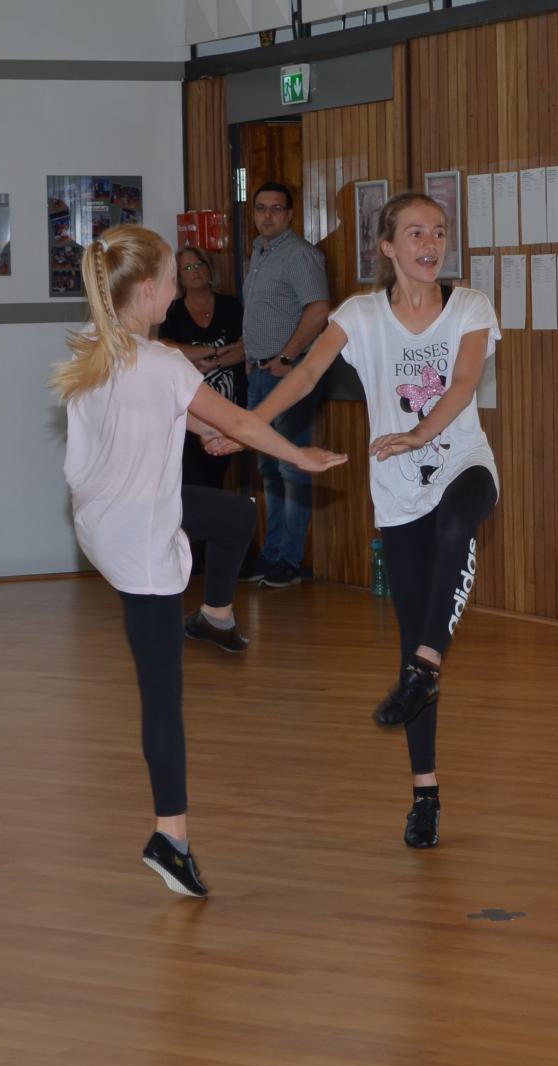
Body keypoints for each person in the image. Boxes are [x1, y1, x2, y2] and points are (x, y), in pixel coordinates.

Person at [51, 224, 347, 898]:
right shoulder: (162, 364)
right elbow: (239, 422)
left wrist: (200, 425)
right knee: (163, 696)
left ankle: (215, 615)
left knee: (235, 516)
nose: (177, 290)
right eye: (169, 278)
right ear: (147, 289)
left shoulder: (97, 345)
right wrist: (298, 454)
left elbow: (154, 411)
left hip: (104, 519)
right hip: (139, 540)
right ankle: (171, 838)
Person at [209, 192, 499, 850]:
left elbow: (462, 385)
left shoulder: (470, 306)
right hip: (397, 492)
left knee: (457, 526)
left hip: (463, 465)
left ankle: (427, 665)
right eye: (416, 233)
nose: (431, 243)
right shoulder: (361, 315)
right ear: (387, 248)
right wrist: (247, 426)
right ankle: (425, 794)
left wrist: (419, 433)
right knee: (409, 640)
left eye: (439, 232)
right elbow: (306, 372)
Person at [240, 182, 330, 588]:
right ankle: (271, 553)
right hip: (259, 372)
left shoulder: (299, 254)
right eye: (261, 208)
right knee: (268, 468)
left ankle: (290, 560)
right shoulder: (260, 252)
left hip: (289, 377)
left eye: (276, 209)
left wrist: (289, 357)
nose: (267, 216)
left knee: (291, 467)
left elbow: (319, 310)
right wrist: (250, 357)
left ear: (290, 214)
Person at [158, 245, 245, 489]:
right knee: (194, 475)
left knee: (218, 472)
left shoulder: (230, 305)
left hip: (229, 405)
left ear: (209, 269)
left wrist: (213, 363)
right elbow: (170, 349)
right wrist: (217, 350)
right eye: (187, 268)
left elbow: (244, 348)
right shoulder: (173, 311)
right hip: (190, 410)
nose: (194, 271)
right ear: (179, 277)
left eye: (198, 265)